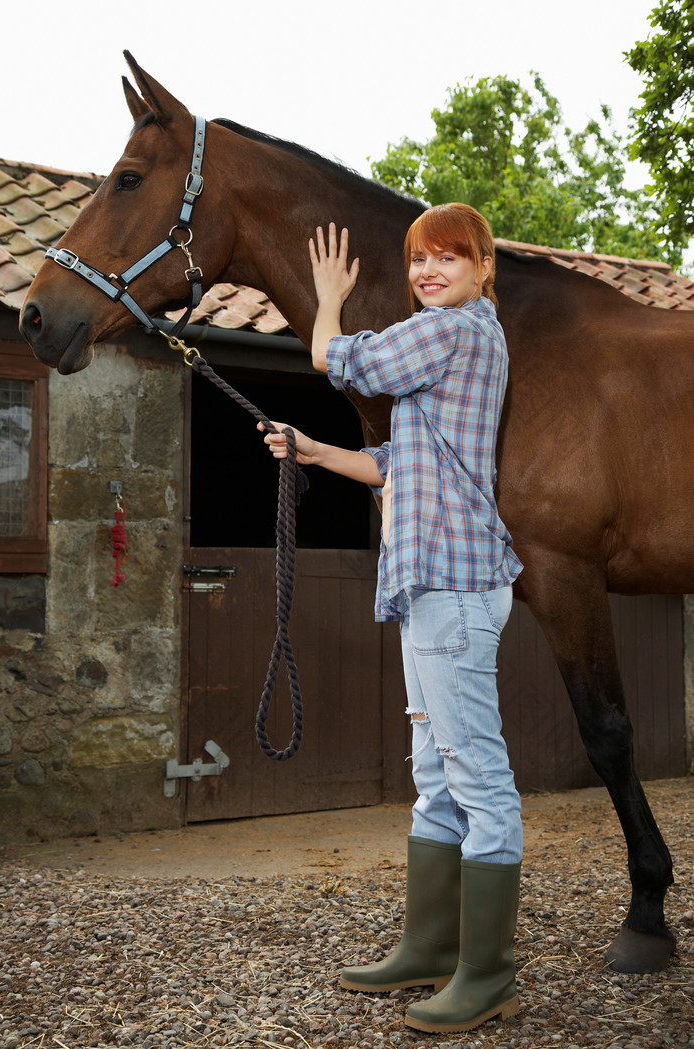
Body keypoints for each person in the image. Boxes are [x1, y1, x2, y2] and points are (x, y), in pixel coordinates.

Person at [260, 204, 523, 1035]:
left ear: (484, 268)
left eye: (448, 257)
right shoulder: (446, 347)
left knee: (476, 776)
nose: (427, 271)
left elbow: (343, 358)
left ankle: (486, 971)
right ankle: (430, 945)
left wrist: (327, 298)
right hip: (429, 588)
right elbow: (393, 461)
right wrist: (312, 449)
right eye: (418, 260)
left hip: (453, 583)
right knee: (436, 777)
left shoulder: (454, 331)